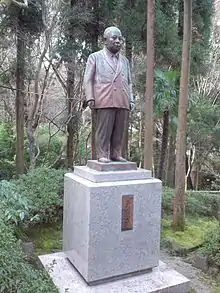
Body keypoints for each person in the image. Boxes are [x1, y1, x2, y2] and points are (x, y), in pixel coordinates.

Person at [83, 26, 135, 163]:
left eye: (120, 38)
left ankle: (116, 153)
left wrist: (131, 99)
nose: (117, 41)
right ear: (105, 40)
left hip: (122, 99)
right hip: (104, 98)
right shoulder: (95, 57)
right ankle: (102, 154)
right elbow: (88, 79)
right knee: (104, 130)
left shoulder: (125, 61)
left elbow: (129, 82)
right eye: (114, 38)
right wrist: (90, 97)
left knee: (119, 130)